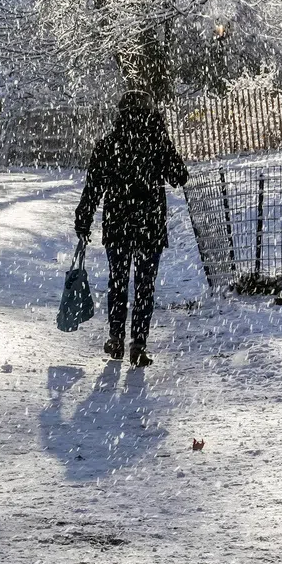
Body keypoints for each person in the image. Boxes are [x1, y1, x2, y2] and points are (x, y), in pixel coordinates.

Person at [74, 89, 188, 368]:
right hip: (149, 224)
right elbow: (179, 176)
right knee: (145, 286)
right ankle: (138, 343)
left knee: (118, 281)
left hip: (118, 223)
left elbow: (93, 188)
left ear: (120, 114)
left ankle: (115, 337)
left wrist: (84, 219)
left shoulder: (109, 144)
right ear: (150, 113)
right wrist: (161, 134)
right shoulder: (156, 141)